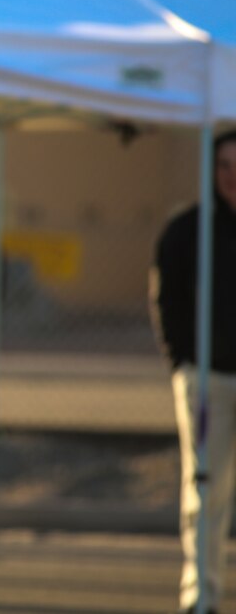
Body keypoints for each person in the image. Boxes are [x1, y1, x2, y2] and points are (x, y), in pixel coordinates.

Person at [149, 129, 236, 614]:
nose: (233, 176)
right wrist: (181, 362)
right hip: (208, 381)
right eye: (224, 165)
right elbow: (166, 299)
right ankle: (200, 593)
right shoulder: (189, 230)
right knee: (205, 487)